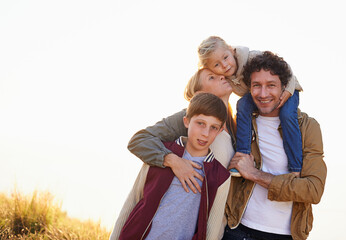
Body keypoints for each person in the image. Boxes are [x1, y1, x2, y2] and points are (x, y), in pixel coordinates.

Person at [110, 69, 236, 240]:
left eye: (213, 127)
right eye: (200, 123)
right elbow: (132, 202)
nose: (206, 133)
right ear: (186, 121)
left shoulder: (220, 176)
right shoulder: (160, 154)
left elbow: (213, 228)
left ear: (220, 130)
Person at [223, 51, 327, 240]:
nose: (263, 94)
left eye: (271, 85)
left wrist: (253, 174)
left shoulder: (308, 127)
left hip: (285, 235)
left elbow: (313, 190)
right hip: (237, 229)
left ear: (284, 87)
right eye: (256, 86)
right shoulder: (242, 123)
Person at [198, 36, 303, 177]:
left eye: (225, 57)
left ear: (231, 49)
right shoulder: (226, 76)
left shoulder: (252, 57)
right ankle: (243, 154)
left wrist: (288, 91)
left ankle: (295, 167)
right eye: (216, 65)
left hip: (287, 87)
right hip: (260, 95)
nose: (224, 65)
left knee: (287, 115)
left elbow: (284, 68)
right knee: (242, 105)